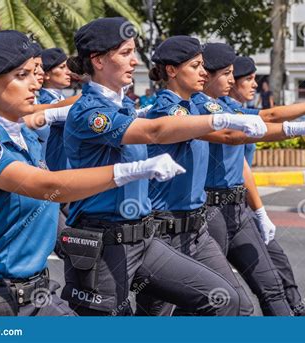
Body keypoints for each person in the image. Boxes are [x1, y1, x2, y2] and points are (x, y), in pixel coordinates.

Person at [0, 30, 183, 316]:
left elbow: (60, 110)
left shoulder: (24, 134)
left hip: (35, 292)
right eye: (22, 76)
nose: (35, 83)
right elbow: (47, 186)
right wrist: (131, 170)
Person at [62, 18, 268, 316]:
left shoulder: (124, 107)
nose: (135, 61)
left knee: (224, 299)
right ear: (98, 60)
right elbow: (153, 131)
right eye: (125, 53)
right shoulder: (90, 112)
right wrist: (220, 120)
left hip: (144, 240)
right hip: (106, 246)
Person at [191, 44, 305, 316]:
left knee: (272, 285)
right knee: (221, 301)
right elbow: (233, 135)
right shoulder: (197, 107)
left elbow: (266, 118)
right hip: (210, 211)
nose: (231, 80)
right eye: (226, 74)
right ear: (209, 75)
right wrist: (304, 125)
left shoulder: (224, 105)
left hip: (237, 209)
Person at [40, 48, 72, 171]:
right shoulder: (44, 100)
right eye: (62, 67)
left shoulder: (62, 98)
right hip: (54, 167)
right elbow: (75, 114)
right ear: (46, 74)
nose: (68, 72)